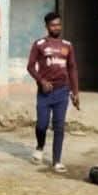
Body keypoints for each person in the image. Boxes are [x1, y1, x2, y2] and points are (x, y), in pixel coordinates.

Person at [27, 11, 79, 173]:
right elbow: (30, 66)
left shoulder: (67, 45)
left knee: (59, 126)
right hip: (45, 92)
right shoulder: (39, 44)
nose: (56, 27)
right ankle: (40, 146)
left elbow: (72, 68)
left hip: (62, 91)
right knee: (42, 125)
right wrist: (41, 81)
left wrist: (75, 92)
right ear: (47, 26)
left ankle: (57, 161)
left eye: (58, 24)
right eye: (53, 25)